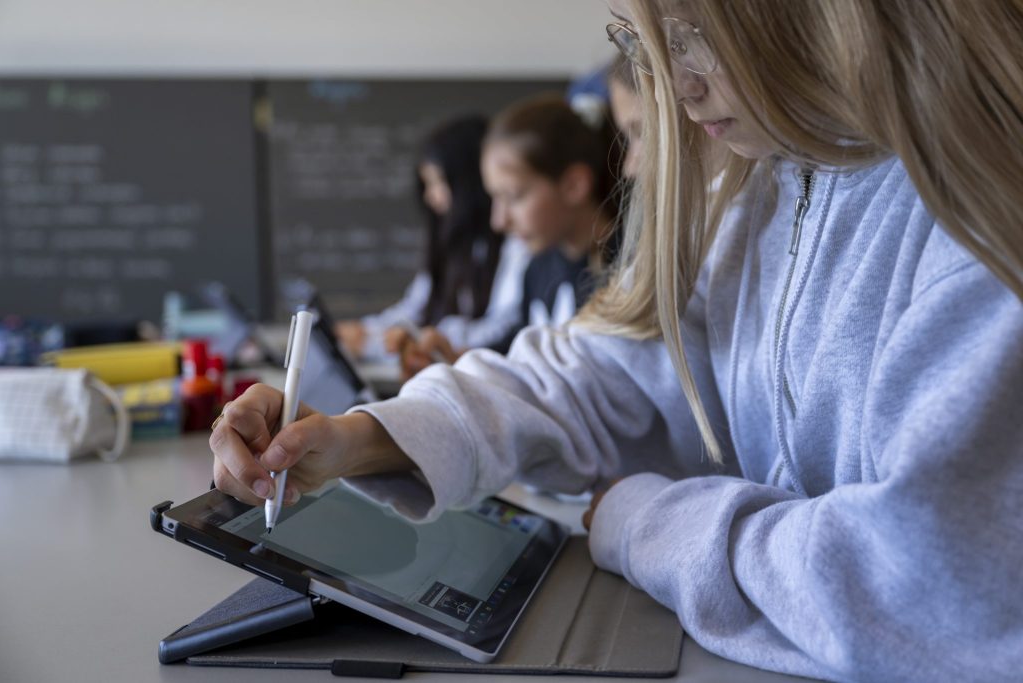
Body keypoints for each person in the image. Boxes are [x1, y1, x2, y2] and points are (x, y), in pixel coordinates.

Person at [211, 1, 1023, 681]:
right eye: (643, 41)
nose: (676, 81)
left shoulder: (977, 223)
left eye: (696, 31)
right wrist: (361, 438)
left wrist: (639, 523)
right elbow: (597, 372)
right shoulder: (774, 188)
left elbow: (928, 585)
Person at [395, 94, 624, 377]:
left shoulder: (628, 274)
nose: (498, 221)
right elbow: (515, 355)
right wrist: (454, 360)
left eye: (514, 197)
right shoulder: (539, 269)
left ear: (574, 185)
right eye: (494, 199)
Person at [335, 115, 529, 360]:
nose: (431, 197)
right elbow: (416, 307)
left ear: (468, 181)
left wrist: (415, 339)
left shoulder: (517, 246)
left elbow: (501, 333)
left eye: (438, 183)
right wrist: (367, 331)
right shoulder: (450, 245)